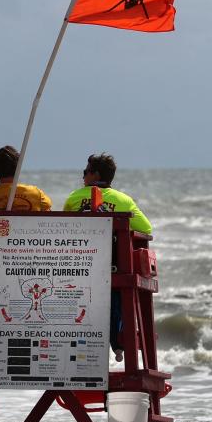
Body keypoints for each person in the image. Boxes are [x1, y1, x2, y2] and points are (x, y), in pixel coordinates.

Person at [63, 153, 152, 361]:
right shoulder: (124, 200)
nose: (83, 176)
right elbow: (146, 228)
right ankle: (117, 343)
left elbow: (64, 228)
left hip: (79, 269)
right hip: (114, 268)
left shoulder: (75, 197)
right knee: (116, 292)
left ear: (94, 175)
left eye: (85, 172)